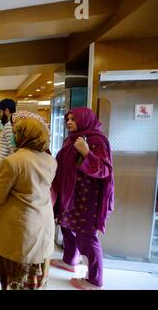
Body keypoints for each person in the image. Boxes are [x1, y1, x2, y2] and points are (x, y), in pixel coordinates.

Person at [0, 117, 57, 290]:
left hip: (19, 230)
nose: (14, 136)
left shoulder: (12, 161)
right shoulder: (51, 160)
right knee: (35, 275)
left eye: (16, 133)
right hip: (43, 224)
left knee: (16, 278)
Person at [51, 107, 114, 290]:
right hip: (70, 193)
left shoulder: (96, 140)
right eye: (68, 119)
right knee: (66, 227)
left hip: (87, 199)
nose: (69, 122)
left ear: (85, 119)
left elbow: (104, 170)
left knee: (87, 237)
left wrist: (87, 152)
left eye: (73, 119)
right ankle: (70, 261)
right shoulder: (72, 138)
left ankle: (95, 280)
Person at [0, 99, 16, 172]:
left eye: (0, 111)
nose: (0, 114)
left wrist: (2, 168)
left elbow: (14, 150)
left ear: (6, 111)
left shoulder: (9, 125)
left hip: (9, 168)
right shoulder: (15, 123)